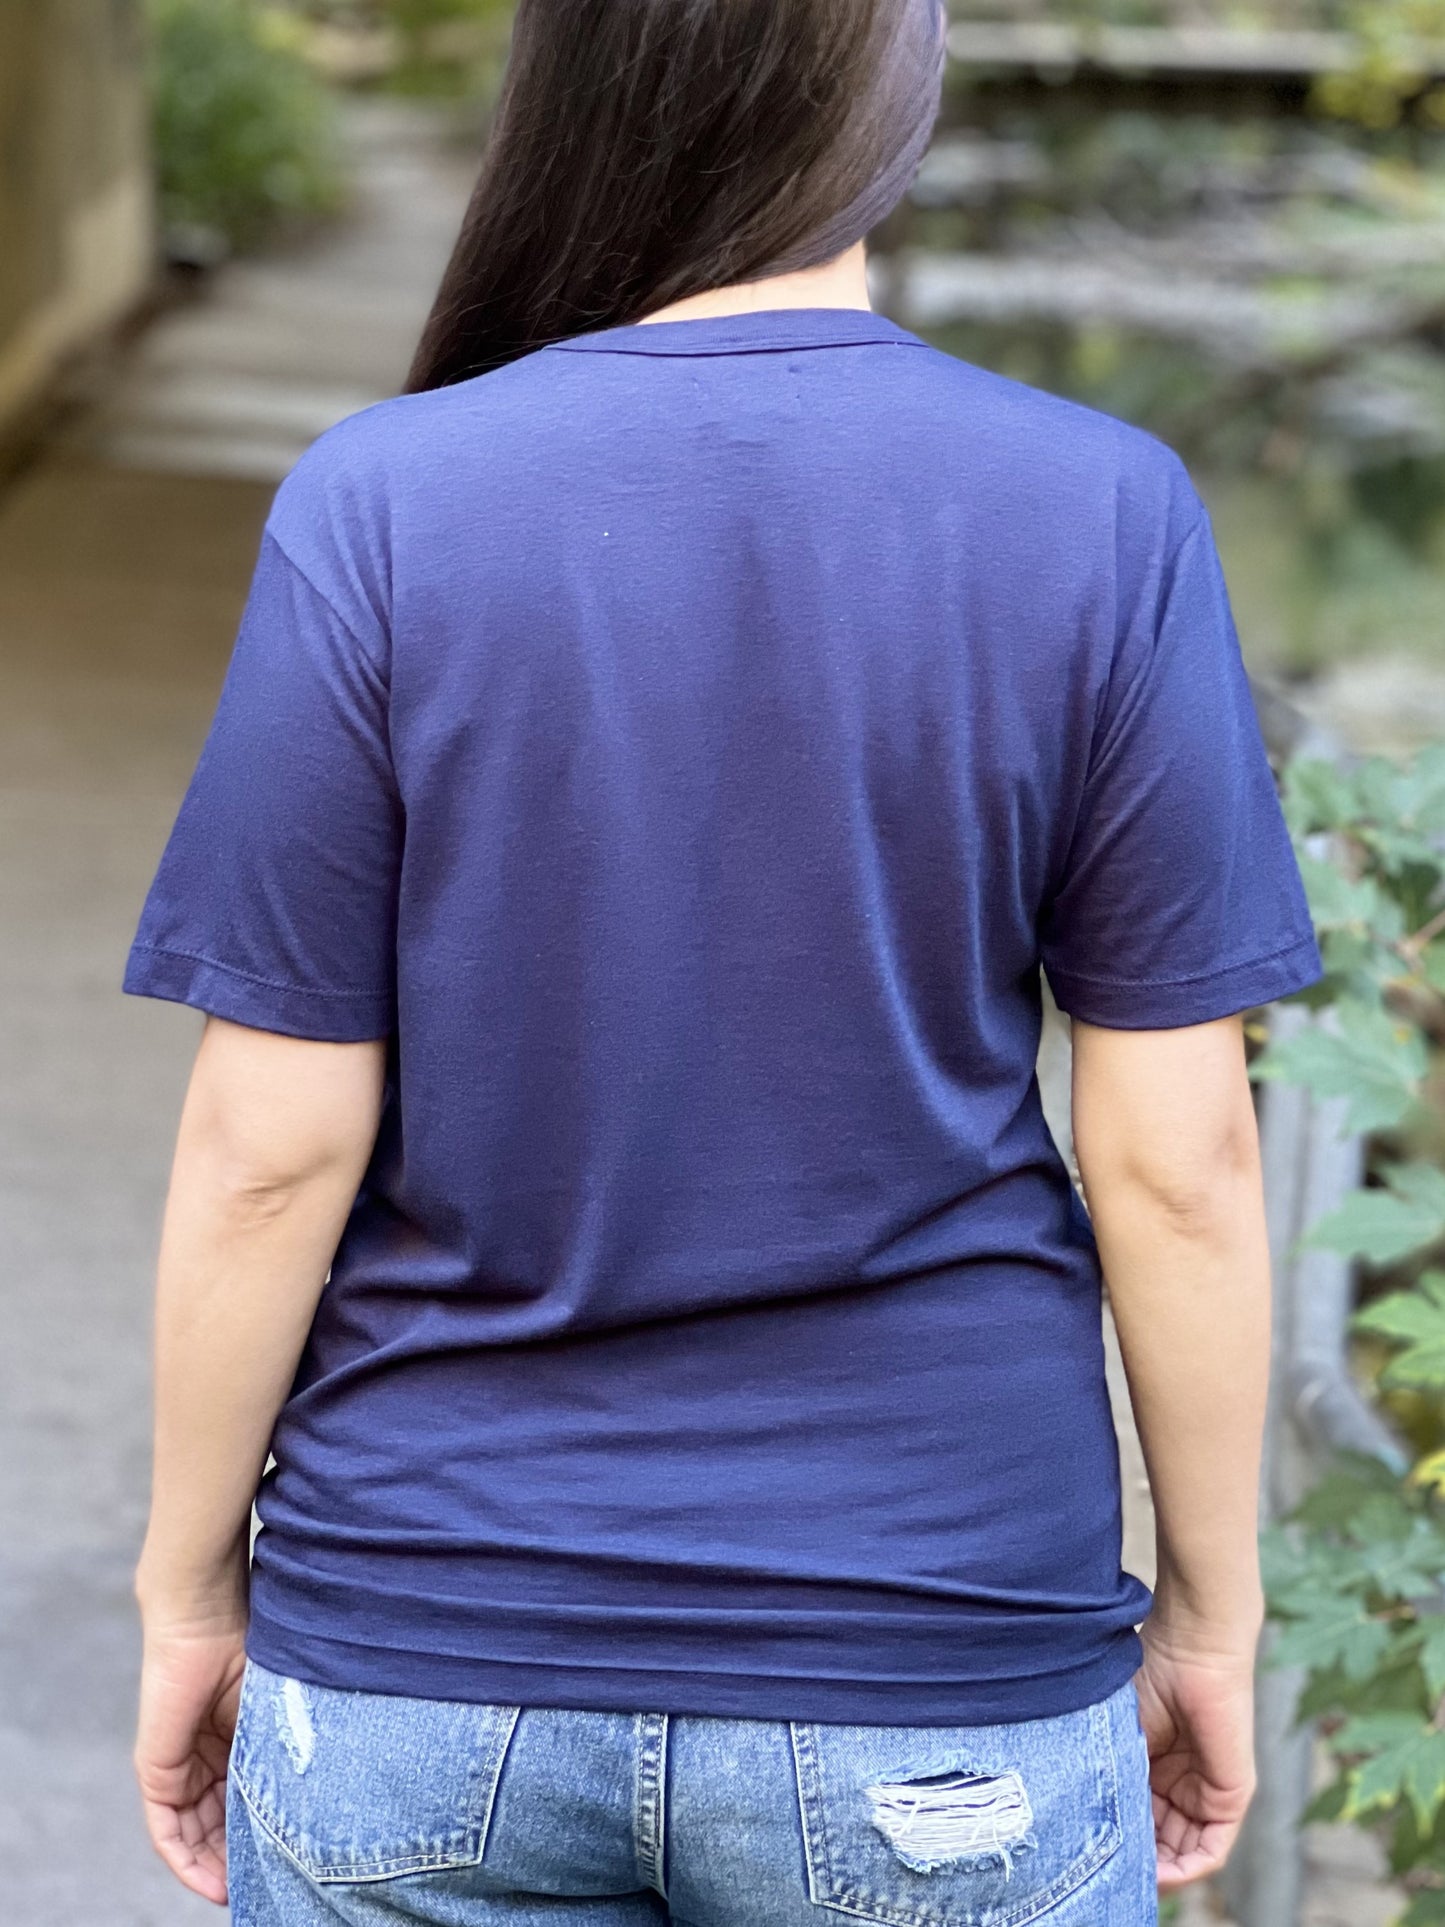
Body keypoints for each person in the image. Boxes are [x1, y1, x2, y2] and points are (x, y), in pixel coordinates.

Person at [122, 1, 1324, 1921]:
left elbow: (265, 1151)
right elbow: (1180, 1167)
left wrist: (189, 1586)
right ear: (892, 113)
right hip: (938, 1652)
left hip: (433, 1639)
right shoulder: (1101, 513)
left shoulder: (381, 504)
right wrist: (1207, 1608)